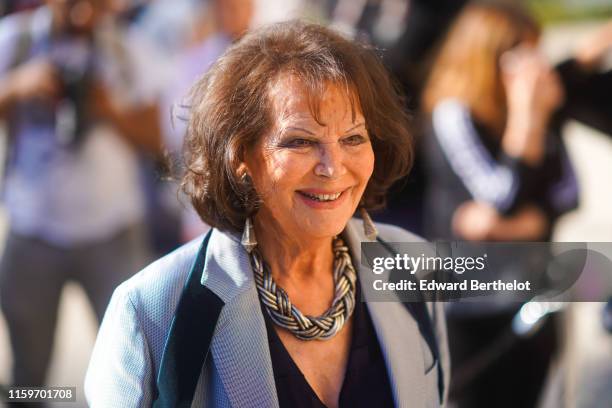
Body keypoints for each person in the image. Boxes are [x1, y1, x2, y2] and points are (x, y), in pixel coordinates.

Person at [85, 21, 450, 407]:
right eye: (300, 141)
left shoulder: (417, 266)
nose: (333, 166)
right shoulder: (152, 310)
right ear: (241, 156)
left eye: (353, 138)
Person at [420, 3, 578, 407]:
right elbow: (500, 197)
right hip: (471, 304)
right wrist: (527, 115)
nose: (535, 68)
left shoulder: (539, 114)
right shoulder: (453, 112)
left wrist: (522, 225)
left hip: (531, 293)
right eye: (521, 56)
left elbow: (569, 193)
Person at [0, 0, 156, 390]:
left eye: (95, 5)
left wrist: (109, 110)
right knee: (28, 373)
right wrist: (17, 87)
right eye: (72, 5)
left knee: (132, 365)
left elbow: (158, 139)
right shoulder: (16, 41)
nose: (84, 15)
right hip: (32, 230)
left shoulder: (126, 46)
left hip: (112, 232)